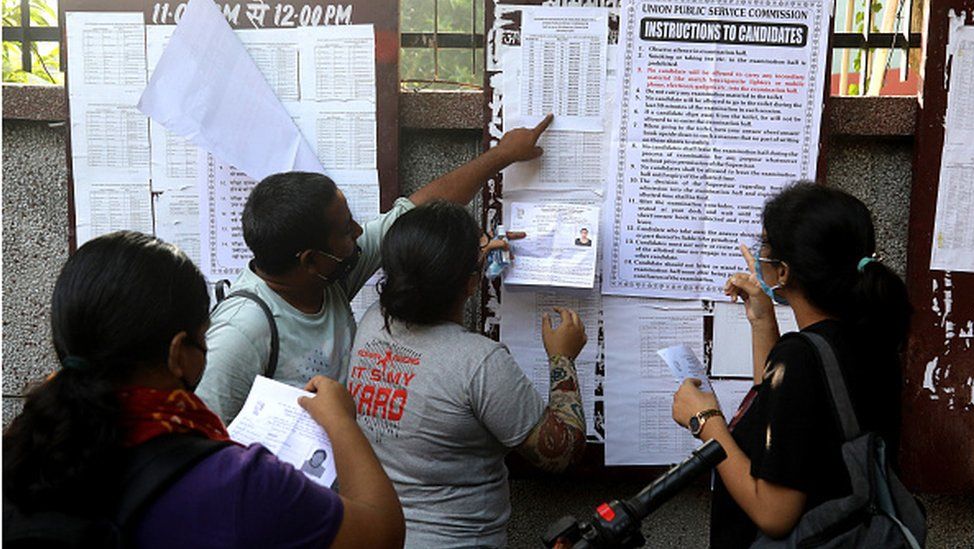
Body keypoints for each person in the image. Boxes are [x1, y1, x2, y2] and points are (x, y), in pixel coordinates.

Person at [3, 231, 404, 548]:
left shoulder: (24, 445)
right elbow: (381, 533)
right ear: (179, 353)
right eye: (204, 336)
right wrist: (340, 421)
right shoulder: (234, 482)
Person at [197, 116, 553, 424]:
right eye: (345, 229)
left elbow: (414, 210)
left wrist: (503, 154)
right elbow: (200, 445)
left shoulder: (326, 277)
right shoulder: (241, 332)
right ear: (309, 260)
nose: (357, 233)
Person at [671, 182, 910, 547]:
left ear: (783, 272)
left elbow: (775, 514)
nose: (758, 253)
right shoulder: (867, 337)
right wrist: (764, 322)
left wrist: (705, 422)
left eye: (764, 243)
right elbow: (786, 420)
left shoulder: (802, 356)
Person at [348, 201, 588, 548]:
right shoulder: (478, 363)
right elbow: (561, 453)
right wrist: (563, 358)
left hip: (381, 532)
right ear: (472, 284)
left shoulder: (374, 319)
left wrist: (473, 257)